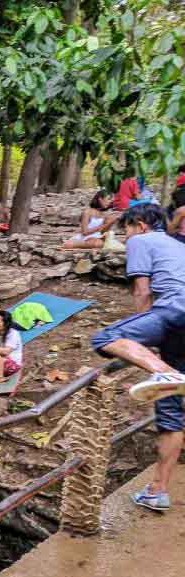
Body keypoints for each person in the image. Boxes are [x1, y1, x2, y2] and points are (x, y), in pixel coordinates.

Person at [91, 204, 185, 512]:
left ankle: (162, 371)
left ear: (140, 225)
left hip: (174, 309)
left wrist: (139, 333)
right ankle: (156, 491)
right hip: (178, 325)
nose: (125, 236)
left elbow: (142, 293)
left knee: (104, 338)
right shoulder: (176, 244)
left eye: (126, 229)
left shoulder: (141, 241)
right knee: (170, 409)